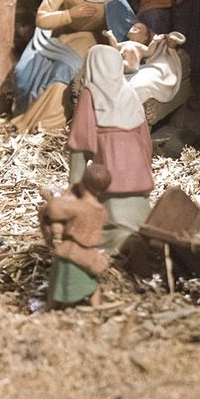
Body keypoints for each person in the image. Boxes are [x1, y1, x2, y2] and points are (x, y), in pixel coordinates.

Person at [11, 0, 137, 134]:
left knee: (64, 71)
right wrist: (71, 14)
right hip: (53, 36)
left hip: (88, 40)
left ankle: (47, 126)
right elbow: (41, 19)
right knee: (22, 74)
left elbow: (131, 30)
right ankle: (25, 116)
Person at [68, 46, 155, 251]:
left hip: (110, 161)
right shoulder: (131, 91)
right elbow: (145, 138)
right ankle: (136, 237)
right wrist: (146, 165)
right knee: (136, 212)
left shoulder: (90, 94)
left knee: (113, 214)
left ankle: (119, 242)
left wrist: (75, 185)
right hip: (137, 167)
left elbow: (80, 141)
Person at [40, 164, 112, 308]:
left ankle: (55, 305)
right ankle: (95, 305)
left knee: (61, 282)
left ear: (84, 184)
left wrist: (55, 197)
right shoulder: (101, 210)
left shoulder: (79, 207)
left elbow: (54, 209)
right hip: (90, 253)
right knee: (91, 282)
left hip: (73, 251)